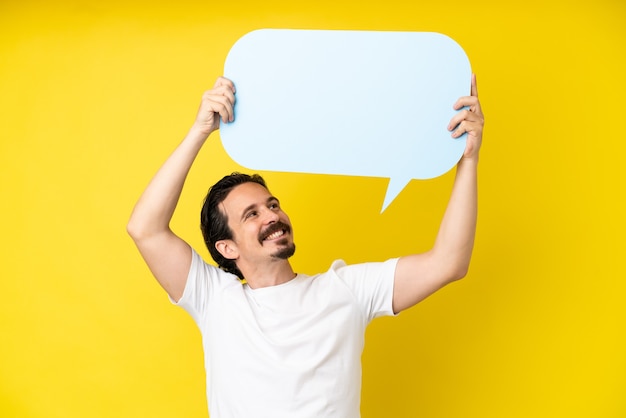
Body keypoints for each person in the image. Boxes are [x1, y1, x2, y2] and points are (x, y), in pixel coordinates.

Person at [127, 75, 484, 418]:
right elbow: (144, 228)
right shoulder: (214, 299)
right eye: (251, 214)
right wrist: (200, 130)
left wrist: (468, 160)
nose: (272, 215)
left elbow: (449, 263)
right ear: (227, 248)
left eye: (272, 204)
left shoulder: (346, 290)